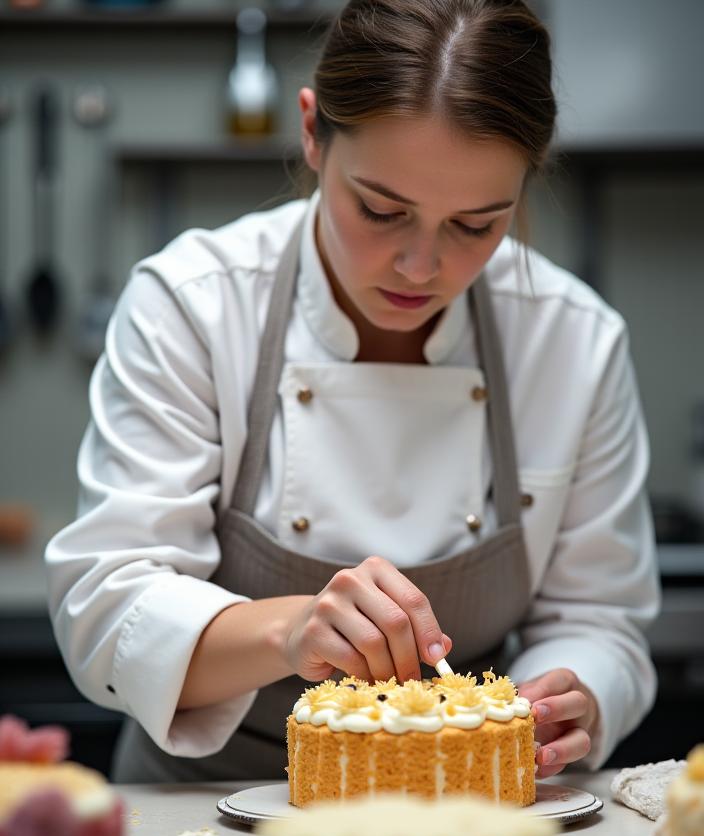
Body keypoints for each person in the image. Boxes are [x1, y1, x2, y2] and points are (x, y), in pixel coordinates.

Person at [46, 0, 660, 784]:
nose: (420, 266)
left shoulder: (571, 338)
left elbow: (601, 617)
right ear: (313, 132)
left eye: (476, 225)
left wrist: (575, 695)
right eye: (380, 209)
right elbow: (107, 611)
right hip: (208, 801)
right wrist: (290, 630)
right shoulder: (193, 305)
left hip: (471, 805)